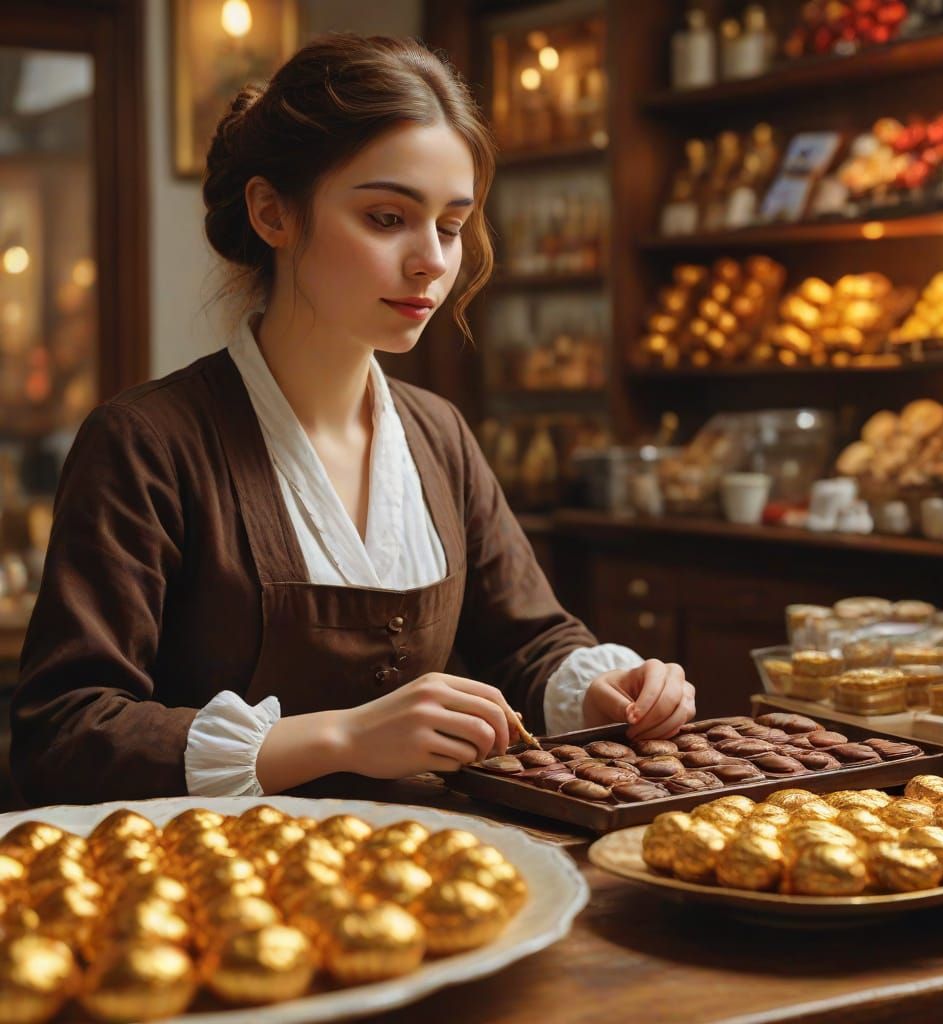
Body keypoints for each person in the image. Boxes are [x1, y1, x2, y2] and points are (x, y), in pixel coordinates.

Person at [11, 34, 695, 806]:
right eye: (386, 217)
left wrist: (606, 685)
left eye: (450, 224)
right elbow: (64, 732)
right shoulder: (147, 444)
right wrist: (342, 737)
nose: (433, 260)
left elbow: (530, 643)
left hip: (431, 877)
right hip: (211, 895)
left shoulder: (439, 434)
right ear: (272, 212)